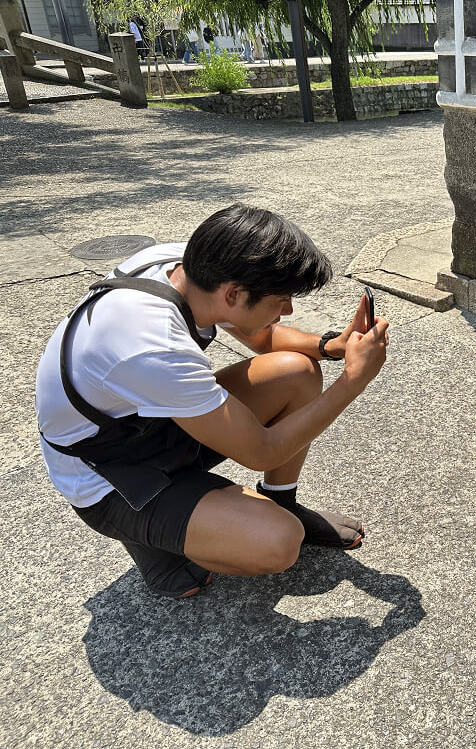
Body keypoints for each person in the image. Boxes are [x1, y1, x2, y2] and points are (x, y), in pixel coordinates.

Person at [35, 205, 389, 598]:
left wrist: (330, 347)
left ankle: (279, 500)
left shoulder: (184, 265)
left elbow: (260, 335)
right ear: (234, 294)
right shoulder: (152, 344)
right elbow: (262, 451)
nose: (288, 310)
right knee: (278, 541)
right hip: (108, 474)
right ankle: (150, 535)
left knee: (297, 372)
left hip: (149, 420)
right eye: (282, 299)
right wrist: (354, 380)